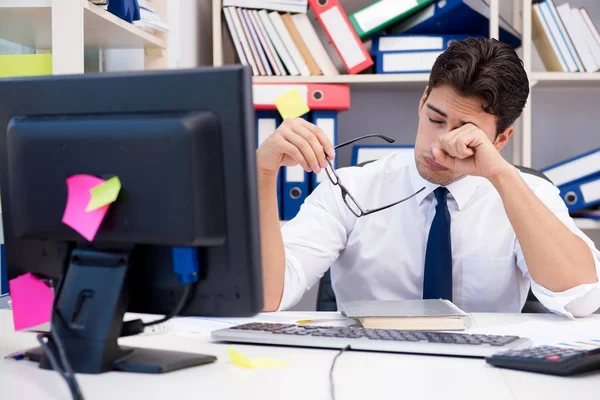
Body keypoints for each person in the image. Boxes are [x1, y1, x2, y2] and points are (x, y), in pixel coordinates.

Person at [255, 37, 600, 318]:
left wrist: (499, 174)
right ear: (422, 101)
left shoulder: (527, 193)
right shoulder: (350, 188)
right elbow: (268, 296)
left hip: (484, 376)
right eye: (436, 120)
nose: (440, 146)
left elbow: (581, 300)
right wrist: (263, 172)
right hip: (368, 371)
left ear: (501, 139)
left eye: (466, 134)